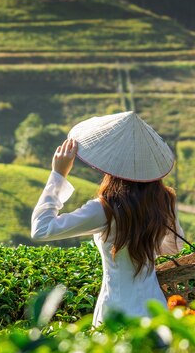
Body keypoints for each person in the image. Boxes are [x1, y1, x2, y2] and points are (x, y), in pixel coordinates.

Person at [30, 112, 184, 327]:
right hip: (155, 312)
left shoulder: (106, 209)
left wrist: (58, 175)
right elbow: (173, 247)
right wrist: (141, 240)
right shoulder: (164, 200)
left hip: (116, 313)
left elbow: (42, 228)